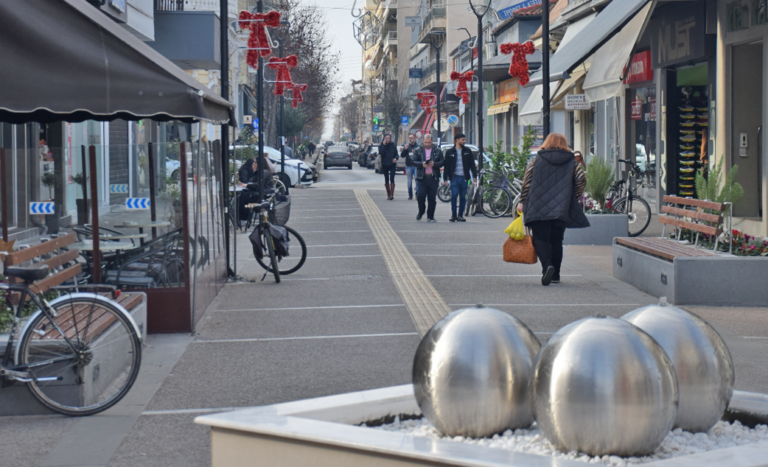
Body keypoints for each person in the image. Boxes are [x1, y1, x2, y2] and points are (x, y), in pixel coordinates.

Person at [518, 133, 589, 286]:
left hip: (537, 205)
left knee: (540, 238)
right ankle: (556, 274)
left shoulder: (536, 159)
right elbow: (581, 179)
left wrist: (522, 200)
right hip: (562, 206)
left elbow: (527, 181)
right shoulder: (572, 161)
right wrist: (573, 196)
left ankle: (547, 266)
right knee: (557, 240)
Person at [407, 134, 443, 222]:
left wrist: (434, 164)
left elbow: (442, 162)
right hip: (421, 177)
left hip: (433, 177)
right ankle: (421, 211)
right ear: (423, 141)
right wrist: (421, 164)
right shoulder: (417, 150)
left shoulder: (437, 150)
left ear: (432, 141)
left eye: (429, 142)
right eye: (426, 142)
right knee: (421, 196)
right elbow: (413, 162)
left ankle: (430, 216)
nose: (427, 144)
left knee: (432, 198)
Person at [443, 133, 477, 222]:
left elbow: (472, 164)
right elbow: (446, 166)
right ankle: (454, 214)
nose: (464, 141)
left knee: (463, 197)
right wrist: (445, 178)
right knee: (454, 195)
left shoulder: (467, 151)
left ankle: (460, 215)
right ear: (457, 140)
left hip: (464, 178)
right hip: (454, 178)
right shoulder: (450, 152)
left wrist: (474, 176)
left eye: (464, 140)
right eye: (463, 140)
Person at [379, 133, 399, 200]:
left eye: (389, 138)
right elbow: (381, 153)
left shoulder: (393, 145)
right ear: (384, 138)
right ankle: (388, 194)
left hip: (392, 164)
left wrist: (395, 158)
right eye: (386, 138)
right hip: (385, 164)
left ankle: (391, 194)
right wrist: (384, 145)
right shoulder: (381, 146)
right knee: (386, 178)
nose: (388, 140)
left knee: (392, 178)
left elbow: (397, 154)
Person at [401, 134, 419, 200]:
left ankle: (417, 194)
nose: (410, 139)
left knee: (417, 180)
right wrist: (405, 149)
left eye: (411, 138)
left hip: (416, 165)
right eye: (409, 138)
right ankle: (410, 194)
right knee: (409, 181)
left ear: (414, 139)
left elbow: (420, 156)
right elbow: (402, 155)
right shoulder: (407, 146)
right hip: (409, 165)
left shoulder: (418, 146)